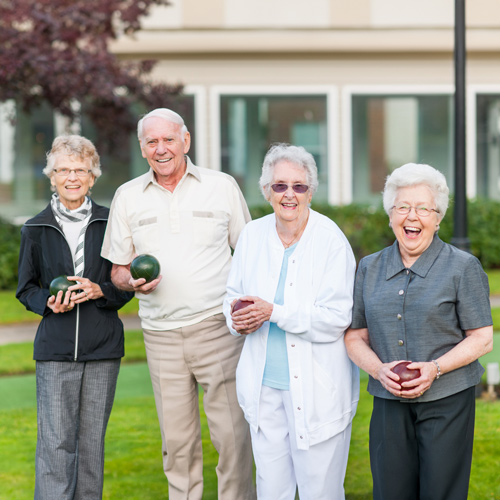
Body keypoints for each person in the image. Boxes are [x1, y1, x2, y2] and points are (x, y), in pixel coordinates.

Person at [101, 108, 255, 500]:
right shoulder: (128, 195)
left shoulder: (221, 187)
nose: (161, 148)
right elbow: (117, 270)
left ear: (186, 141)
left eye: (169, 139)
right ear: (142, 148)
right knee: (177, 442)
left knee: (232, 437)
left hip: (217, 329)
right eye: (152, 142)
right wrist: (131, 282)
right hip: (159, 335)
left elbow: (252, 254)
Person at [344, 163, 494, 500]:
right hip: (388, 403)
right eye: (402, 207)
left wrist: (435, 369)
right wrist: (377, 370)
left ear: (437, 218)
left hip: (448, 401)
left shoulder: (462, 267)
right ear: (390, 215)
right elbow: (355, 336)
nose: (412, 216)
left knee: (442, 493)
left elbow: (483, 337)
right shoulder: (369, 267)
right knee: (390, 492)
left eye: (423, 208)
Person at [223, 143, 359, 500]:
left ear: (311, 192)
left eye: (298, 186)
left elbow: (336, 318)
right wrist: (238, 319)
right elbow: (232, 295)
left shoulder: (330, 241)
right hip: (264, 386)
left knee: (321, 492)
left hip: (319, 393)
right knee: (272, 490)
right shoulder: (252, 236)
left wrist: (274, 312)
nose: (289, 195)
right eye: (280, 185)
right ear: (266, 191)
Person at [16, 135, 134, 500]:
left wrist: (102, 291)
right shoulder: (35, 228)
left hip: (103, 349)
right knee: (55, 445)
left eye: (80, 170)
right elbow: (26, 289)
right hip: (55, 351)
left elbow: (125, 283)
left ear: (93, 177)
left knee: (91, 447)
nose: (72, 177)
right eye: (64, 170)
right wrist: (48, 304)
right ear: (51, 176)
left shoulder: (111, 222)